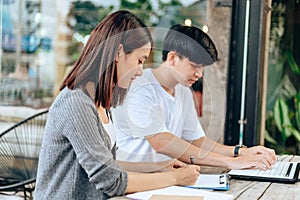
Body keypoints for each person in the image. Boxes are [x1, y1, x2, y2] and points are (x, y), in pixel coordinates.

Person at [34, 11, 200, 200]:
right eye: (139, 61)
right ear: (118, 51)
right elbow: (110, 180)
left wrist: (157, 167)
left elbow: (108, 165)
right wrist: (174, 178)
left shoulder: (101, 102)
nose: (140, 71)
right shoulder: (75, 102)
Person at [111, 24, 277, 170]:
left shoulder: (183, 91)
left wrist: (239, 152)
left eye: (203, 68)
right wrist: (230, 162)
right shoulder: (141, 86)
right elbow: (161, 141)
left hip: (165, 176)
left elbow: (197, 140)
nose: (199, 74)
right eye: (195, 66)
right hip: (132, 180)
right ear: (173, 58)